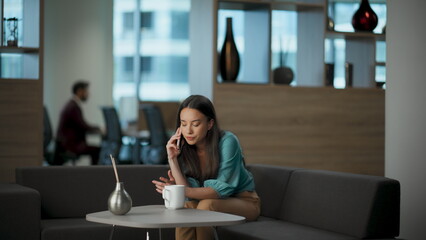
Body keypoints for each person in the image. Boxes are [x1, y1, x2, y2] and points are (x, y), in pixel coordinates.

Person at [152, 95, 260, 240]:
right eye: (184, 124)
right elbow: (188, 196)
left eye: (195, 124)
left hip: (244, 202)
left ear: (210, 124)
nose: (188, 131)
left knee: (206, 205)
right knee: (186, 207)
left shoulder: (228, 141)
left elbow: (220, 190)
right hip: (206, 202)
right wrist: (172, 159)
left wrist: (181, 190)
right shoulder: (183, 147)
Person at [55, 80, 101, 165]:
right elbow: (82, 125)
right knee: (97, 150)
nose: (88, 94)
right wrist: (98, 129)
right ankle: (95, 174)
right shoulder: (73, 107)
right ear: (80, 91)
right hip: (70, 145)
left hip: (65, 143)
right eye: (86, 91)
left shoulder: (71, 104)